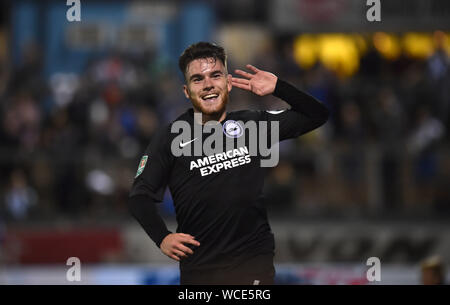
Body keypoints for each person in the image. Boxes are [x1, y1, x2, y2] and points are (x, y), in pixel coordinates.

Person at [128, 42, 329, 285]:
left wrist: (279, 87)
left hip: (254, 267)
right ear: (186, 91)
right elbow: (139, 196)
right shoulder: (170, 137)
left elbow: (317, 115)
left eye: (215, 75)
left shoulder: (253, 125)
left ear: (229, 82)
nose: (208, 85)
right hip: (200, 273)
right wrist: (162, 237)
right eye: (197, 79)